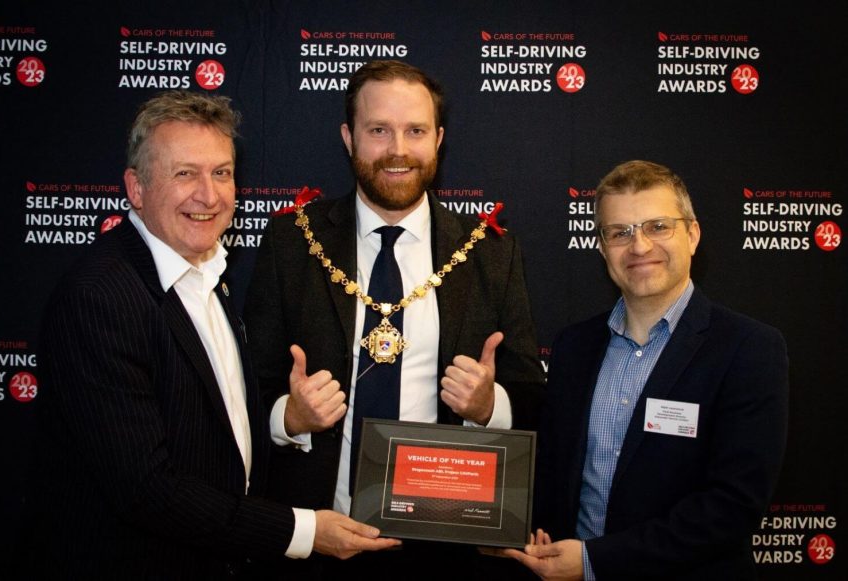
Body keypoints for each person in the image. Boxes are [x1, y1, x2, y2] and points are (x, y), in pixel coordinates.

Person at [32, 90, 399, 580]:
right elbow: (147, 489)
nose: (209, 195)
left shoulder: (210, 278)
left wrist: (287, 420)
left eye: (221, 173)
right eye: (185, 174)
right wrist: (304, 532)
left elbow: (220, 438)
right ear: (136, 188)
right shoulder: (101, 296)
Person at [244, 60, 545, 578]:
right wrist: (288, 420)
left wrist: (488, 405)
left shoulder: (489, 253)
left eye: (415, 131)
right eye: (378, 130)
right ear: (349, 137)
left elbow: (531, 395)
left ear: (439, 139)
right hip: (318, 538)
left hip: (447, 544)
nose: (398, 150)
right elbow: (244, 389)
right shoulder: (292, 242)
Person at [502, 160, 789, 580]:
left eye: (658, 226)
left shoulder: (749, 350)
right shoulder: (573, 347)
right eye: (620, 232)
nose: (638, 247)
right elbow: (551, 471)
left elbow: (731, 507)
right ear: (601, 248)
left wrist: (592, 562)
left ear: (692, 235)